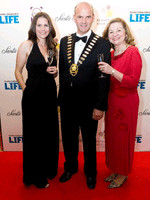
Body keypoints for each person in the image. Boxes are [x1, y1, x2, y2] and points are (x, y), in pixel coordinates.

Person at [58, 2, 111, 189]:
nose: (84, 21)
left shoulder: (103, 44)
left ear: (93, 18)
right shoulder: (64, 41)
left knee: (89, 141)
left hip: (90, 104)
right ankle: (70, 168)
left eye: (88, 16)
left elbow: (103, 77)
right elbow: (63, 71)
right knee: (69, 138)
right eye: (80, 16)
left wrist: (100, 105)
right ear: (74, 18)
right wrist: (60, 100)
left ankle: (91, 173)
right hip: (67, 102)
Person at [15, 12, 59, 188]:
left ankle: (48, 169)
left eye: (46, 25)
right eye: (39, 25)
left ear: (50, 27)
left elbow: (53, 71)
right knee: (35, 137)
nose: (43, 29)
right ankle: (36, 176)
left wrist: (54, 72)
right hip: (32, 96)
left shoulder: (52, 46)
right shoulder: (26, 45)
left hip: (49, 95)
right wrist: (26, 89)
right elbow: (17, 72)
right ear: (34, 27)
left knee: (48, 135)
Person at [98, 18, 142, 188]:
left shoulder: (133, 52)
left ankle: (123, 173)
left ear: (125, 32)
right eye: (111, 31)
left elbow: (132, 81)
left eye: (118, 30)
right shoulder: (108, 54)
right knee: (113, 138)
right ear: (107, 35)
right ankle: (116, 169)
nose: (114, 34)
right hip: (112, 101)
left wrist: (112, 71)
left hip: (127, 102)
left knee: (124, 138)